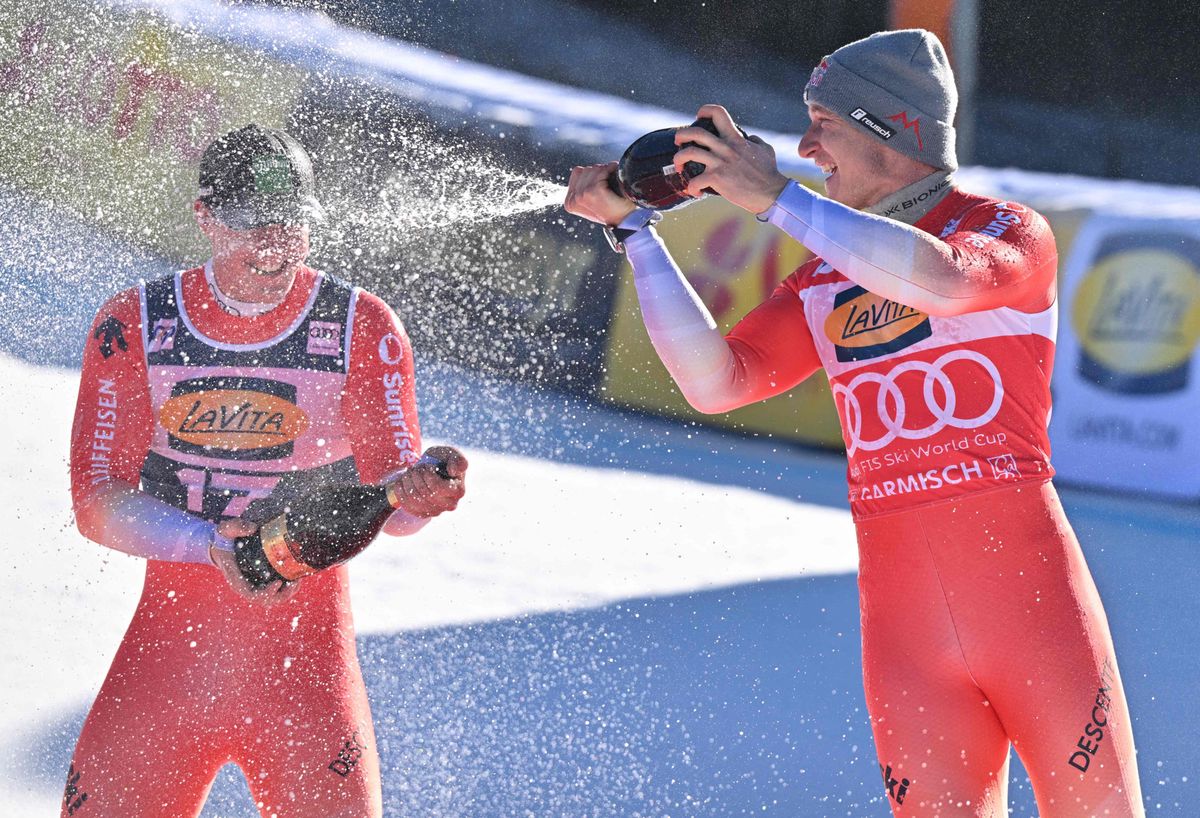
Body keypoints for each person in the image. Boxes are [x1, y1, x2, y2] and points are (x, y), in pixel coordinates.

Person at [565, 29, 1144, 818]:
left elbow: (940, 281)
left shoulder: (1006, 230)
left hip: (1036, 616)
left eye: (824, 123)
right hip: (906, 637)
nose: (805, 145)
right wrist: (636, 235)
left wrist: (776, 199)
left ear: (891, 129)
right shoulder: (824, 272)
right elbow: (716, 383)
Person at [65, 124, 467, 818]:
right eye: (253, 227)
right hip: (164, 672)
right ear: (205, 219)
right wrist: (212, 547)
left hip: (306, 677)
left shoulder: (361, 327)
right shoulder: (133, 322)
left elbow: (395, 510)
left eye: (292, 226)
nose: (275, 246)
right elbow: (95, 502)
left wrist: (426, 493)